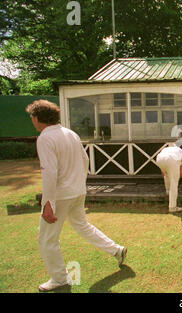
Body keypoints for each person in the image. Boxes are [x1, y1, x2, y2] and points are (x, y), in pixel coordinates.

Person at [26, 100, 127, 292]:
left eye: (32, 117)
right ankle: (116, 250)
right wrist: (79, 183)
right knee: (82, 226)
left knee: (46, 239)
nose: (32, 121)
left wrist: (48, 203)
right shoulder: (70, 133)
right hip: (76, 192)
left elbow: (49, 172)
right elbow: (85, 160)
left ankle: (59, 279)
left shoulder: (45, 138)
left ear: (38, 118)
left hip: (61, 195)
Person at [156, 145, 182, 213]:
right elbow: (181, 171)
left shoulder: (166, 149)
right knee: (174, 183)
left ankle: (167, 192)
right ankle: (172, 207)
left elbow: (163, 172)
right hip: (172, 159)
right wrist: (176, 179)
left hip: (159, 158)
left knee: (167, 175)